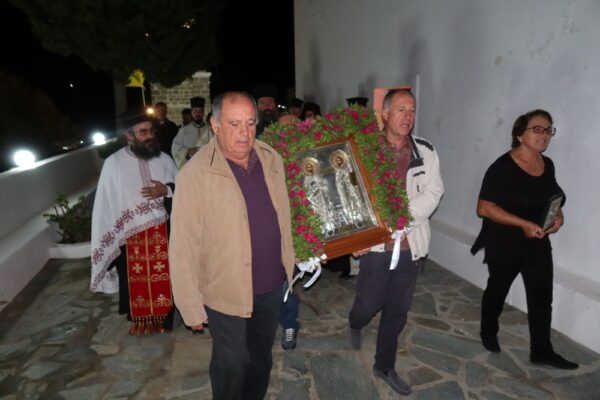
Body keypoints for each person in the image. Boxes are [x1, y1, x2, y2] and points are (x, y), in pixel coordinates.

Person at [169, 91, 295, 400]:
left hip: (269, 283)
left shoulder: (271, 159)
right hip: (224, 288)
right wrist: (190, 304)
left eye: (250, 123)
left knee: (261, 358)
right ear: (215, 125)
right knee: (231, 363)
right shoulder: (195, 174)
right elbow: (183, 245)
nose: (245, 133)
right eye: (234, 124)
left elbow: (282, 213)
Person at [348, 89, 444, 396]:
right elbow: (352, 194)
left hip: (410, 245)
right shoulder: (365, 149)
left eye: (412, 110)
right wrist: (358, 236)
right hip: (376, 246)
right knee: (369, 303)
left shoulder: (425, 151)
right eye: (401, 109)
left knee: (398, 309)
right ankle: (355, 321)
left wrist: (402, 218)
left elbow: (433, 192)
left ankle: (384, 365)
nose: (408, 116)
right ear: (385, 114)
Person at [471, 109, 578, 370]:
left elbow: (554, 198)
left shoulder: (547, 165)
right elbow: (484, 208)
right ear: (520, 135)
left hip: (537, 242)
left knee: (542, 297)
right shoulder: (502, 167)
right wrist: (523, 224)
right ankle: (488, 331)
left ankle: (542, 350)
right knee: (498, 290)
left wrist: (558, 217)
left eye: (548, 130)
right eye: (537, 129)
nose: (544, 135)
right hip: (504, 242)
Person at [90, 107, 177, 335]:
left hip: (162, 229)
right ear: (129, 136)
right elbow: (106, 201)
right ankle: (141, 320)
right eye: (142, 132)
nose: (149, 136)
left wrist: (166, 190)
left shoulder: (164, 159)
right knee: (134, 277)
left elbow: (181, 188)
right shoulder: (113, 163)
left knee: (164, 275)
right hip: (130, 233)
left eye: (151, 131)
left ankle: (164, 319)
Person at [171, 96, 212, 169]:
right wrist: (188, 152)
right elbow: (175, 147)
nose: (197, 114)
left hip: (206, 167)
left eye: (200, 111)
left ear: (203, 112)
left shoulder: (210, 130)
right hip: (190, 167)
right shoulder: (183, 130)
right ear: (192, 112)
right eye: (195, 111)